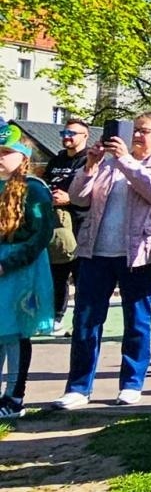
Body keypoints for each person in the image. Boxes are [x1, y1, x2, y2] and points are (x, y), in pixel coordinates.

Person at [54, 111, 151, 410]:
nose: (136, 135)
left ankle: (131, 384)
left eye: (144, 131)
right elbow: (79, 198)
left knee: (137, 322)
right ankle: (78, 387)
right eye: (134, 129)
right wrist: (90, 165)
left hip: (138, 255)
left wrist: (126, 161)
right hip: (96, 251)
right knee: (86, 321)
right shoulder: (107, 162)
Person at [0, 126, 56, 417]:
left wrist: (8, 263)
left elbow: (41, 233)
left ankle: (14, 396)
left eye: (6, 152)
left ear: (22, 157)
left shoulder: (34, 189)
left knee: (15, 333)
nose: (0, 158)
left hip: (20, 270)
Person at [44, 116, 90, 329]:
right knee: (56, 275)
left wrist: (70, 199)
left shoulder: (89, 160)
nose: (67, 137)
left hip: (80, 227)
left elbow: (95, 193)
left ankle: (81, 322)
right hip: (56, 226)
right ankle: (56, 318)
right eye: (64, 133)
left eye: (72, 133)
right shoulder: (56, 160)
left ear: (85, 136)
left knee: (82, 278)